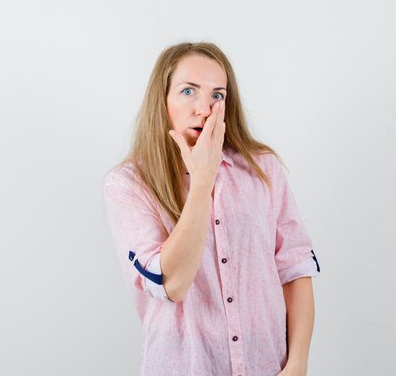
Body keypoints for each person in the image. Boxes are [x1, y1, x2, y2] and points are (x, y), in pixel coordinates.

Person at [102, 41, 321, 376]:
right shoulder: (129, 185)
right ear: (161, 100)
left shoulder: (262, 169)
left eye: (217, 95)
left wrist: (298, 364)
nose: (204, 108)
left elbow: (294, 268)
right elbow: (170, 284)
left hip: (268, 367)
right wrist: (203, 180)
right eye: (189, 91)